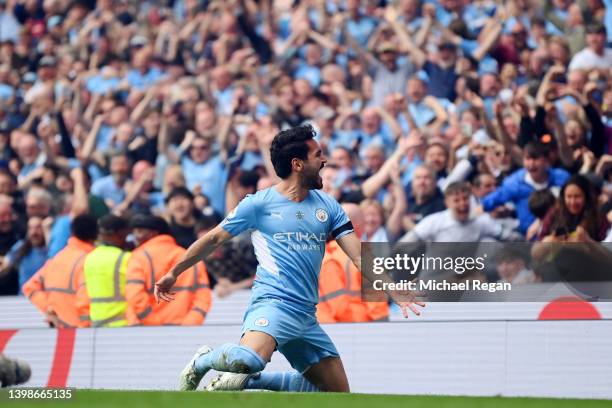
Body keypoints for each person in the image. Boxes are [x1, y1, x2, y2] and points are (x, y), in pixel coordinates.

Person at [154, 125, 423, 393]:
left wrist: (390, 287)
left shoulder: (328, 206)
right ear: (297, 164)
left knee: (337, 395)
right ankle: (203, 360)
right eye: (318, 155)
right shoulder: (259, 204)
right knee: (248, 359)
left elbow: (358, 255)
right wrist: (174, 272)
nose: (324, 160)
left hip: (306, 316)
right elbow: (213, 239)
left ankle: (253, 383)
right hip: (273, 304)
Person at [125, 214, 211, 326]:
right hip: (184, 331)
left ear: (154, 233)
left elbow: (135, 297)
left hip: (146, 331)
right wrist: (189, 325)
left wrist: (154, 325)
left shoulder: (138, 257)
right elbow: (203, 298)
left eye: (139, 231)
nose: (134, 236)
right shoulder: (190, 258)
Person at [317, 202, 389, 323]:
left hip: (323, 328)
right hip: (358, 330)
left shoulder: (322, 256)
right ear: (359, 225)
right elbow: (377, 308)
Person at [22, 214, 98, 328]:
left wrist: (49, 309)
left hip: (59, 329)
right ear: (96, 235)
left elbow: (29, 287)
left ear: (72, 232)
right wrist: (85, 328)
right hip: (78, 330)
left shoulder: (56, 258)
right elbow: (84, 300)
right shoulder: (89, 260)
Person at [80, 214, 131, 328]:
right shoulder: (125, 258)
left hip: (96, 323)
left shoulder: (89, 258)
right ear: (120, 233)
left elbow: (82, 294)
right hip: (122, 324)